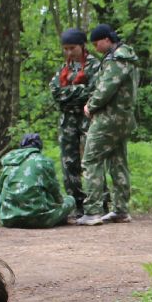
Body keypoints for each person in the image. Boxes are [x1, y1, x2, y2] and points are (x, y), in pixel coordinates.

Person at [73, 24, 139, 226]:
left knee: (91, 159)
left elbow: (106, 87)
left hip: (108, 119)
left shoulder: (116, 60)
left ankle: (92, 211)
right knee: (117, 161)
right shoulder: (129, 59)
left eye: (97, 42)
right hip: (124, 118)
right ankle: (120, 210)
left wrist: (91, 106)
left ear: (107, 40)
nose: (95, 47)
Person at [50, 27, 92, 220]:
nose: (68, 52)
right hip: (67, 121)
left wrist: (71, 92)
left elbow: (93, 91)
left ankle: (97, 202)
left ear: (82, 46)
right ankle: (76, 204)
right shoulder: (64, 69)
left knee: (90, 161)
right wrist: (77, 90)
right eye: (65, 48)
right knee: (69, 163)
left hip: (86, 119)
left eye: (72, 48)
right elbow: (55, 92)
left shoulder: (93, 65)